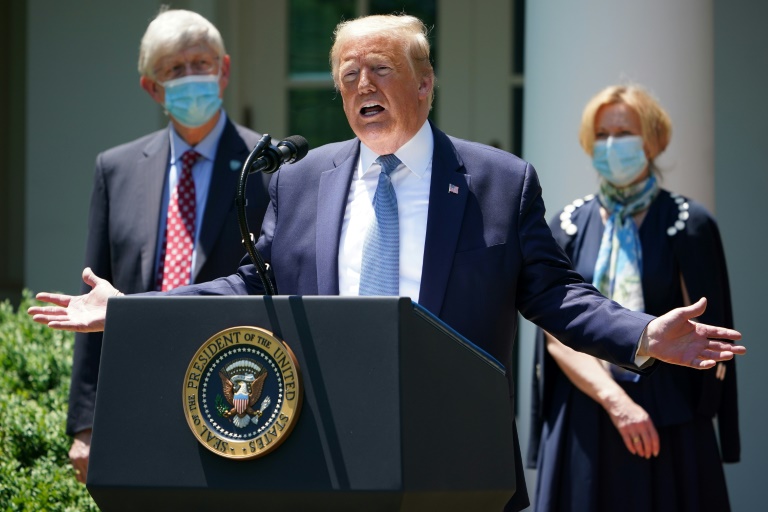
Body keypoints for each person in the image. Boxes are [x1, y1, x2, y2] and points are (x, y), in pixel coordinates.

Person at [29, 15, 744, 511]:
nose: (362, 86)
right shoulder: (301, 180)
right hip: (324, 454)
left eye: (380, 69)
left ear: (424, 83)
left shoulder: (497, 183)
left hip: (455, 461)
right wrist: (130, 309)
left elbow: (557, 295)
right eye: (348, 76)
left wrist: (643, 334)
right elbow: (252, 283)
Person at [64, 8, 271, 484]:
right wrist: (85, 423)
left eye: (201, 63)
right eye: (175, 69)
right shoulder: (116, 169)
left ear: (224, 70)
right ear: (152, 88)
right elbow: (93, 296)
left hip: (236, 396)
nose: (191, 76)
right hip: (139, 393)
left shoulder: (268, 167)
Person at [526, 85, 740, 511]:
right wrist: (615, 401)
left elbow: (702, 330)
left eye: (623, 133)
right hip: (586, 410)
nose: (611, 144)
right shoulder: (567, 224)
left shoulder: (690, 223)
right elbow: (556, 332)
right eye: (602, 134)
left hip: (668, 416)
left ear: (653, 141)